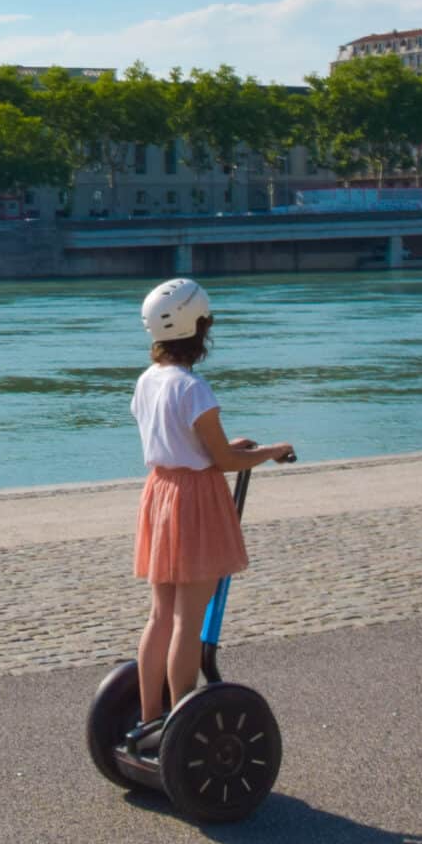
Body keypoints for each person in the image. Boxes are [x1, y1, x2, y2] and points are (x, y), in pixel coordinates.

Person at [123, 278, 295, 759]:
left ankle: (150, 718)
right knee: (189, 618)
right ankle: (182, 724)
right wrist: (271, 451)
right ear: (198, 328)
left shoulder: (147, 380)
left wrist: (230, 448)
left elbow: (181, 442)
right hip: (194, 500)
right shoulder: (194, 387)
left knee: (161, 615)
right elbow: (223, 461)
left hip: (160, 492)